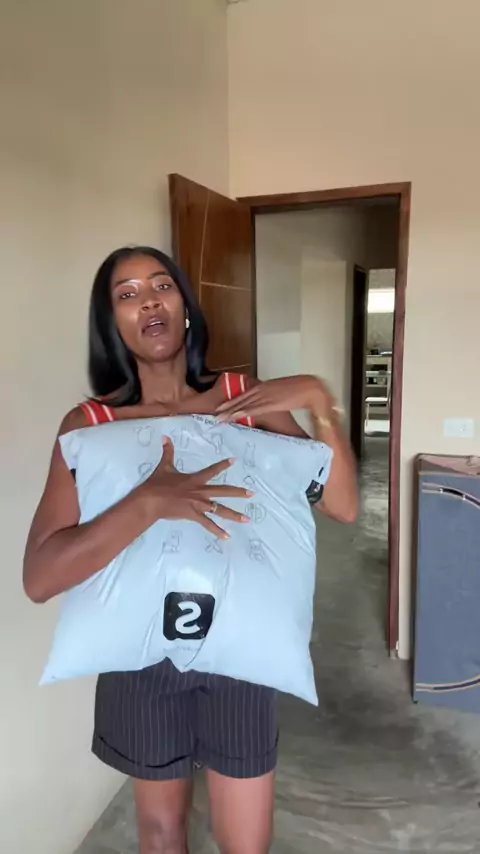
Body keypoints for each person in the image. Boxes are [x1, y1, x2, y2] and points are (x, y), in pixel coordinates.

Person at [23, 246, 358, 854]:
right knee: (161, 833)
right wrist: (149, 501)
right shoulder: (90, 425)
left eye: (162, 286)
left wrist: (318, 400)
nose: (149, 302)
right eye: (127, 294)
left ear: (184, 306)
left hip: (240, 647)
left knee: (246, 842)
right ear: (111, 322)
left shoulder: (241, 399)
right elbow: (41, 577)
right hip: (140, 653)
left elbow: (342, 504)